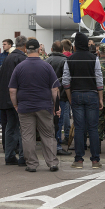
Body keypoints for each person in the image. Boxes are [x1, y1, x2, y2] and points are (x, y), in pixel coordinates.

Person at [9, 39, 61, 172]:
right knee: (48, 135)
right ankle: (52, 163)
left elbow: (12, 90)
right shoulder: (47, 66)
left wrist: (15, 105)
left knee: (27, 136)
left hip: (25, 106)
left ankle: (32, 164)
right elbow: (55, 90)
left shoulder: (19, 67)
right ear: (39, 50)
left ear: (26, 49)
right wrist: (57, 107)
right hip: (44, 105)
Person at [63, 32, 104, 169]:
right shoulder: (94, 58)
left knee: (79, 128)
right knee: (93, 128)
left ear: (75, 45)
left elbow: (66, 81)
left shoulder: (70, 59)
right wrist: (100, 98)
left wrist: (70, 97)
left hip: (76, 95)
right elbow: (99, 79)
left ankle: (79, 160)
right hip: (92, 95)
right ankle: (95, 161)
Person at [0, 35, 28, 165]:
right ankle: (22, 156)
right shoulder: (22, 59)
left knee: (10, 127)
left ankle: (9, 156)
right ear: (25, 46)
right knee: (23, 128)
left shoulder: (8, 58)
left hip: (6, 98)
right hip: (18, 98)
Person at [45, 41, 71, 155]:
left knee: (48, 121)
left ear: (51, 49)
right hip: (61, 95)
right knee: (59, 121)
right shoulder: (65, 61)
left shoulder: (46, 61)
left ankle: (50, 145)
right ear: (62, 50)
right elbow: (67, 80)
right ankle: (57, 146)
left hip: (47, 95)